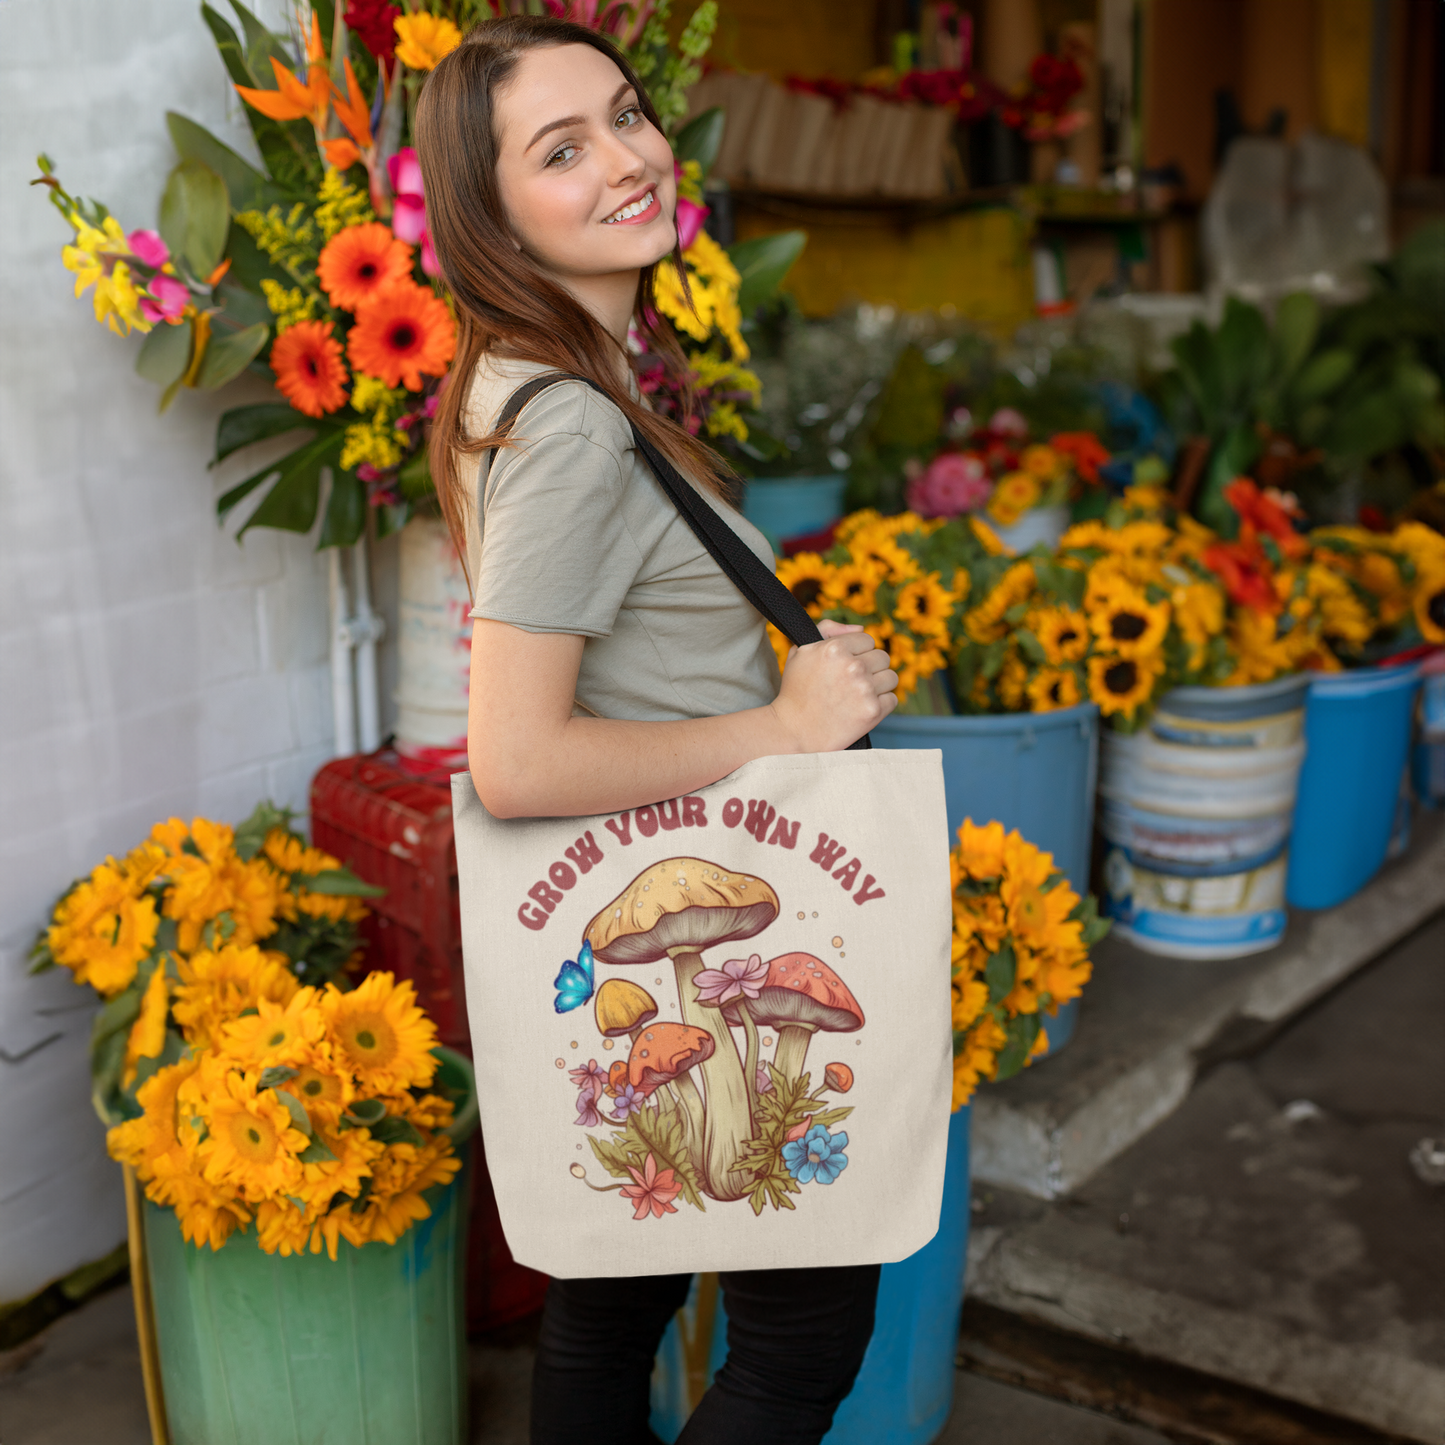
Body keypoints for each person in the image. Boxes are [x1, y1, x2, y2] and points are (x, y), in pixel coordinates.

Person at [416, 18, 898, 1444]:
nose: (630, 157)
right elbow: (516, 759)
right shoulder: (567, 422)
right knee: (803, 1338)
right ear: (489, 211)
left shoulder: (536, 386)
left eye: (627, 116)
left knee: (613, 1302)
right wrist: (783, 718)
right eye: (563, 149)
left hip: (645, 903)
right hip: (696, 919)